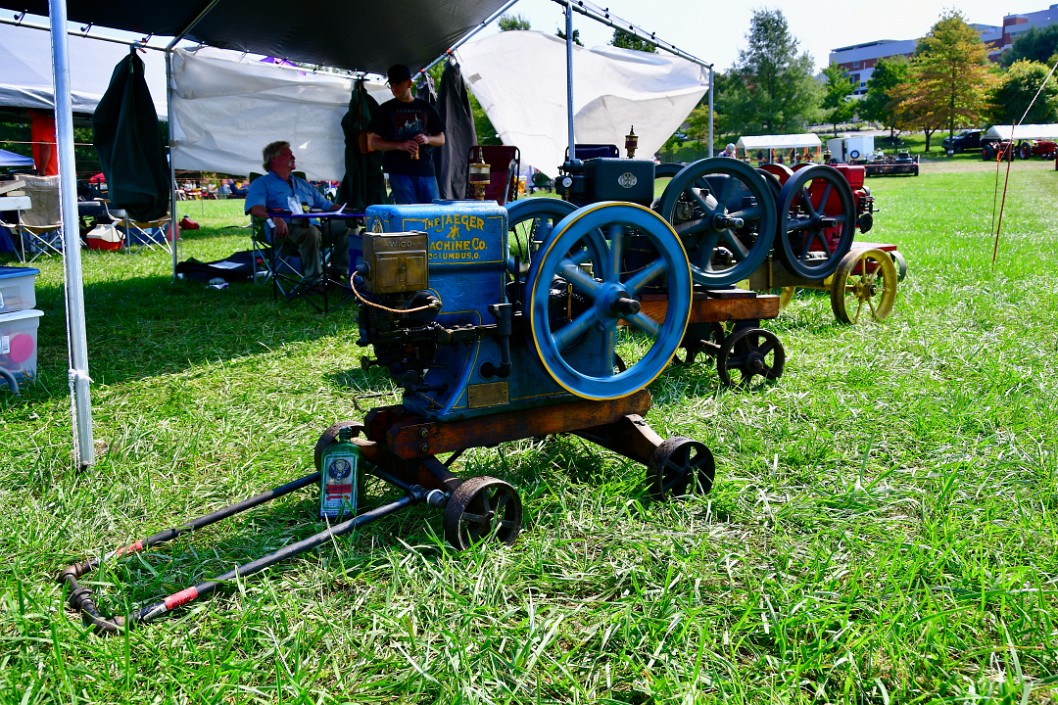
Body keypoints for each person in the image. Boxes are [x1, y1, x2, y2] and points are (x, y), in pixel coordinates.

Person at [245, 140, 350, 283]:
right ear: (273, 159)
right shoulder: (262, 183)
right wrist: (275, 217)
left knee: (347, 225)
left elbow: (327, 205)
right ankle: (314, 282)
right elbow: (254, 208)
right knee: (310, 232)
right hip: (284, 231)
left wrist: (354, 212)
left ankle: (339, 274)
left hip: (314, 228)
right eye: (288, 154)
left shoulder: (302, 184)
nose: (293, 157)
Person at [367, 64, 446, 204]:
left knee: (433, 214)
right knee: (408, 215)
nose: (394, 88)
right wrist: (400, 146)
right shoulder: (385, 109)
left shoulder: (426, 107)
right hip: (399, 172)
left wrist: (427, 139)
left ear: (409, 83)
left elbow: (441, 138)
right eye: (391, 85)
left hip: (426, 170)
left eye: (398, 84)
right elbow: (373, 142)